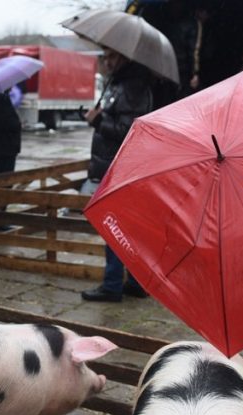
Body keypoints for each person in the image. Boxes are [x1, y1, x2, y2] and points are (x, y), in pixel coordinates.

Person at [80, 47, 155, 303]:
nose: (107, 61)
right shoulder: (120, 83)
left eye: (112, 56)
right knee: (124, 227)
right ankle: (134, 282)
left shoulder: (132, 86)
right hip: (114, 165)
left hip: (120, 168)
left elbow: (129, 130)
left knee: (113, 226)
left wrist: (98, 122)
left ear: (125, 57)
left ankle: (112, 285)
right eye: (106, 56)